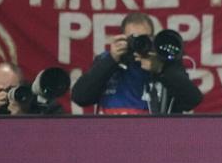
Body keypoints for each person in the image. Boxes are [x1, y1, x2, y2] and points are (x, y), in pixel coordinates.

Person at [71, 12, 204, 114]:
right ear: (122, 38)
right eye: (133, 39)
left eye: (144, 38)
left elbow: (192, 100)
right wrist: (111, 61)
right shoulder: (107, 60)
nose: (138, 44)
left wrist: (161, 70)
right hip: (110, 137)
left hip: (154, 140)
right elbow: (80, 97)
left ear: (152, 38)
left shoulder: (163, 62)